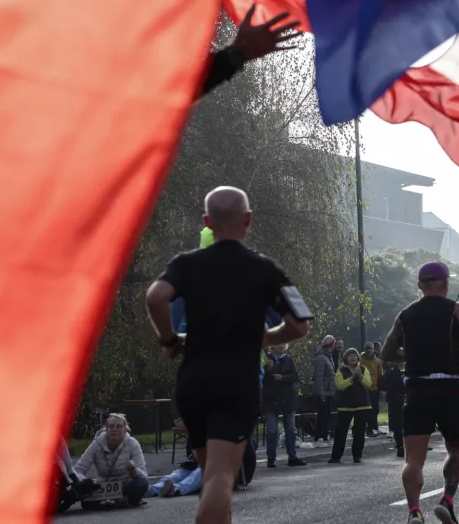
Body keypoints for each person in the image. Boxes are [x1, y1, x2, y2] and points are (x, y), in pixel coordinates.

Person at [144, 186, 309, 524]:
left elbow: (155, 297)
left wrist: (169, 340)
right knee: (221, 478)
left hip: (193, 382)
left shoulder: (186, 264)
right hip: (236, 382)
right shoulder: (265, 270)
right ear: (248, 219)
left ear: (207, 221)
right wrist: (265, 337)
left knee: (211, 477)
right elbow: (300, 325)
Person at [381, 261, 459, 524]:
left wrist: (408, 356)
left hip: (417, 388)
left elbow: (386, 352)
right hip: (449, 388)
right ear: (446, 283)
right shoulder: (456, 309)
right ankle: (447, 500)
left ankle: (414, 511)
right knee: (456, 451)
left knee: (413, 459)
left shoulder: (405, 315)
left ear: (419, 286)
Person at [74, 414, 149, 509]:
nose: (114, 429)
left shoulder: (132, 443)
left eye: (119, 426)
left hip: (125, 486)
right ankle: (115, 502)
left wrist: (134, 471)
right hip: (101, 488)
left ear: (125, 430)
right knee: (83, 488)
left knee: (142, 482)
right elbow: (78, 469)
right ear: (106, 429)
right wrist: (85, 482)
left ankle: (124, 500)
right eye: (111, 426)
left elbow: (144, 475)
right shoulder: (96, 444)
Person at [262, 343, 305, 467]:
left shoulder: (288, 359)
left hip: (287, 399)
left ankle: (292, 457)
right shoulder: (266, 359)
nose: (281, 345)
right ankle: (271, 458)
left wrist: (283, 378)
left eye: (283, 343)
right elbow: (260, 377)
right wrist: (268, 370)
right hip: (271, 399)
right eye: (278, 343)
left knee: (290, 429)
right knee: (272, 431)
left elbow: (295, 376)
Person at [329, 348, 373, 464]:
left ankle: (357, 456)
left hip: (362, 406)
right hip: (345, 406)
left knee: (359, 433)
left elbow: (369, 385)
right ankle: (336, 457)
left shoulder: (363, 369)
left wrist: (360, 376)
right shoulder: (341, 370)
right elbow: (340, 386)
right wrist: (351, 378)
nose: (353, 357)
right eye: (350, 356)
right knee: (340, 433)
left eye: (355, 355)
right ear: (346, 358)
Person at [312, 335, 337, 448]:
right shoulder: (321, 358)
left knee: (327, 416)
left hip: (329, 391)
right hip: (324, 392)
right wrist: (321, 394)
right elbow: (319, 377)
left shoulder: (328, 357)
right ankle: (319, 437)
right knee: (322, 416)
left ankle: (324, 437)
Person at [379, 358, 407, 458]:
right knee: (398, 425)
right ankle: (400, 447)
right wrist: (400, 380)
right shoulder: (390, 372)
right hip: (395, 401)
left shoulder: (411, 370)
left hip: (410, 400)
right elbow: (384, 386)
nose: (401, 361)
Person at [361, 342, 384, 438]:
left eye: (370, 348)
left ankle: (374, 428)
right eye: (367, 348)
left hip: (375, 388)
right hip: (364, 389)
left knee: (375, 409)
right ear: (364, 349)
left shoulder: (378, 361)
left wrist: (382, 389)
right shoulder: (360, 360)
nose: (369, 350)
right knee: (367, 410)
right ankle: (370, 429)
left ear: (373, 349)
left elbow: (380, 376)